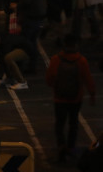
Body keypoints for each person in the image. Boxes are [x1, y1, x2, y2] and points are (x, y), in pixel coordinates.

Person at [46, 34, 97, 163]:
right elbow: (88, 79)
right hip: (76, 98)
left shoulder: (56, 60)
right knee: (73, 124)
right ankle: (71, 147)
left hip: (59, 98)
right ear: (76, 45)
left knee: (59, 124)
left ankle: (61, 146)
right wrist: (92, 94)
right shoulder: (81, 61)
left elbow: (49, 79)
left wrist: (55, 86)